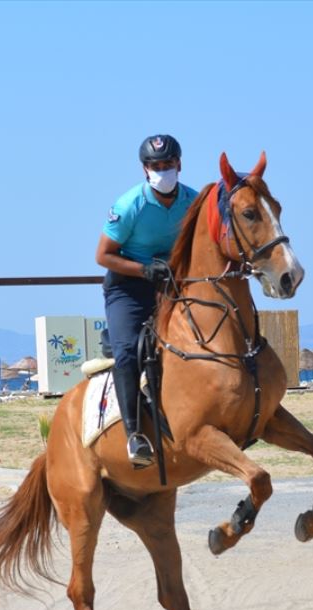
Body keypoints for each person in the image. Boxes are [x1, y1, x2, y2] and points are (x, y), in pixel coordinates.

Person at [94, 134, 197, 467]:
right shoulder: (128, 206)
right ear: (145, 170)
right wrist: (143, 269)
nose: (163, 171)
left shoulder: (193, 203)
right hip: (128, 287)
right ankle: (134, 434)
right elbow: (103, 256)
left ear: (179, 165)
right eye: (156, 166)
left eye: (168, 165)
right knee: (127, 353)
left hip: (171, 284)